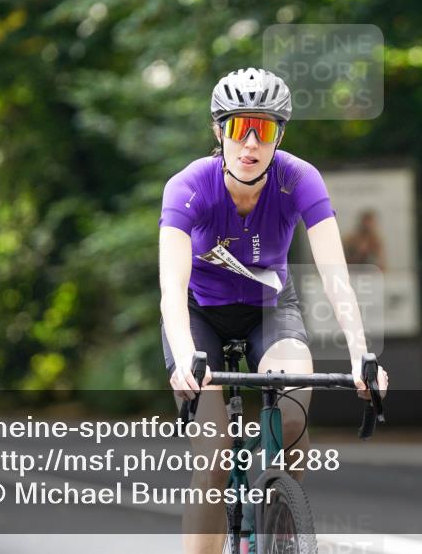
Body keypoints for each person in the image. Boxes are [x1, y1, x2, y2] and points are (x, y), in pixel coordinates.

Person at [158, 67, 389, 554]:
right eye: (239, 127)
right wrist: (183, 359)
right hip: (200, 316)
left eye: (263, 129)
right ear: (219, 130)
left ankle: (279, 526)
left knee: (292, 416)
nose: (250, 143)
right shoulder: (189, 186)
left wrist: (361, 356)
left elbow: (335, 275)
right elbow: (172, 288)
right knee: (215, 452)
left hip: (270, 310)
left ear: (278, 135)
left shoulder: (299, 178)